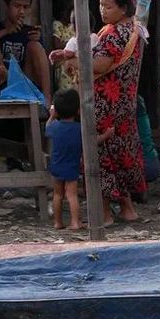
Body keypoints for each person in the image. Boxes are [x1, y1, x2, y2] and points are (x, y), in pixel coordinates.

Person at [91, 0, 147, 224]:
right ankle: (127, 209)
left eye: (108, 6)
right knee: (121, 154)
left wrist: (73, 60)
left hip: (106, 106)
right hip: (125, 103)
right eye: (101, 5)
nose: (102, 10)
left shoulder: (113, 34)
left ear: (123, 8)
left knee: (101, 155)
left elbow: (99, 66)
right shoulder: (136, 29)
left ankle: (104, 214)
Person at [46, 88, 114, 230]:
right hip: (72, 166)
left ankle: (57, 222)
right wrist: (107, 135)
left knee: (57, 194)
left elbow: (47, 128)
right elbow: (93, 141)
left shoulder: (54, 127)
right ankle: (75, 222)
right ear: (78, 110)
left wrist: (51, 116)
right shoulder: (79, 129)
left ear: (57, 110)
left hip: (56, 165)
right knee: (72, 195)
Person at [48, 9, 97, 94]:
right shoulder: (95, 37)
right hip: (93, 73)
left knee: (75, 94)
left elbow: (68, 53)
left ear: (74, 26)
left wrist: (59, 54)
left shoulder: (74, 40)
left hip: (77, 74)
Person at [132, 94, 160, 203]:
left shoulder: (133, 123)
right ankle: (141, 187)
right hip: (152, 165)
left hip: (146, 168)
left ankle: (138, 187)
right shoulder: (144, 120)